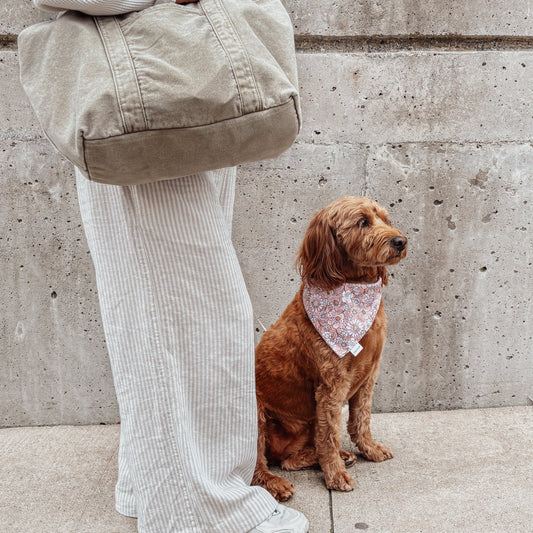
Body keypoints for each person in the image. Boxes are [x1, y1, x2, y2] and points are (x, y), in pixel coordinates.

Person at [31, 1, 310, 531]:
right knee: (189, 314)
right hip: (144, 83)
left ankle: (154, 482)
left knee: (155, 310)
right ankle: (202, 511)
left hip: (175, 78)